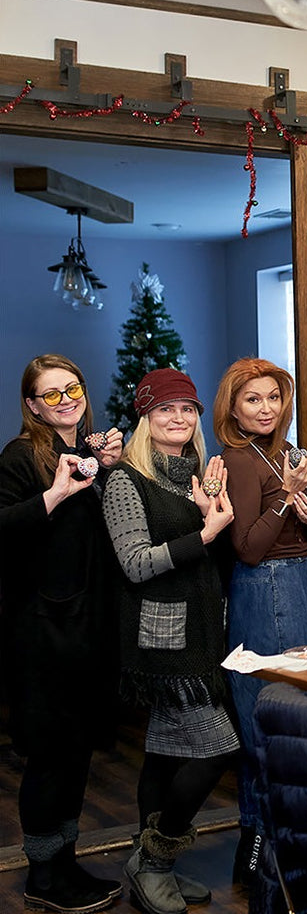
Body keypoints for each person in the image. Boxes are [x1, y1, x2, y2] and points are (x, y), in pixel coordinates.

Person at [101, 369, 237, 914]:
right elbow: (135, 564)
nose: (179, 419)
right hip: (161, 639)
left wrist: (211, 515)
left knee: (163, 754)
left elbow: (214, 561)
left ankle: (151, 865)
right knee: (218, 749)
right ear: (145, 418)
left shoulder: (194, 479)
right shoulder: (125, 481)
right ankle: (153, 861)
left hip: (202, 633)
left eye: (188, 410)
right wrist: (203, 533)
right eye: (165, 411)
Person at [0, 355, 123, 914]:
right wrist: (54, 494)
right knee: (50, 755)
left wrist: (109, 468)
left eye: (71, 388)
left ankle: (66, 864)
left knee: (75, 754)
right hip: (43, 635)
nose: (65, 399)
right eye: (50, 394)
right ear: (31, 405)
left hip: (86, 631)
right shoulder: (21, 456)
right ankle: (42, 878)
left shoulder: (82, 455)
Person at [214, 358, 307, 885]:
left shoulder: (284, 454)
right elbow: (248, 548)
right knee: (271, 723)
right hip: (267, 589)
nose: (265, 407)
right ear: (233, 408)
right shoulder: (237, 459)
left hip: (301, 580)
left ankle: (287, 848)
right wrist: (286, 498)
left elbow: (298, 533)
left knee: (297, 718)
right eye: (253, 399)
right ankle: (259, 854)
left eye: (274, 397)